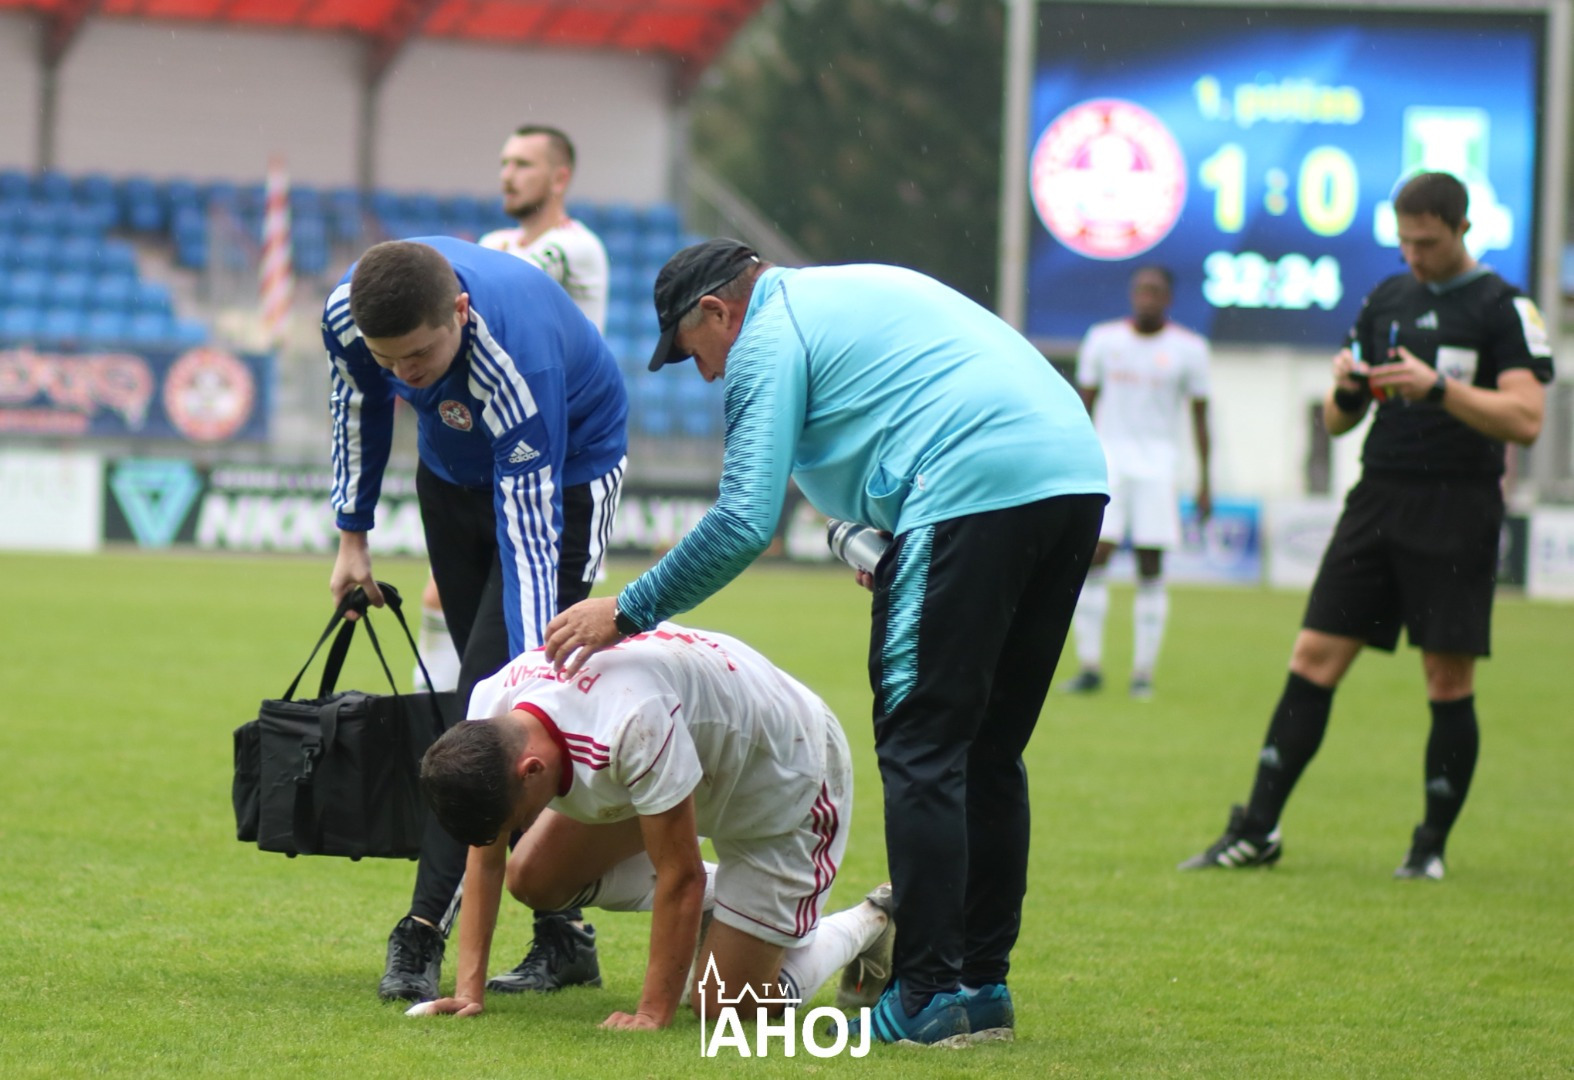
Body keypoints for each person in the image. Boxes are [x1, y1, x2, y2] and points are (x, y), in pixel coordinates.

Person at [543, 240, 1108, 1044]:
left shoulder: (766, 335)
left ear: (717, 311)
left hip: (966, 482)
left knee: (923, 748)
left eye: (693, 352)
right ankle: (981, 986)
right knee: (988, 751)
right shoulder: (839, 296)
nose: (704, 374)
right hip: (1072, 476)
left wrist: (628, 610)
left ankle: (928, 994)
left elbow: (744, 520)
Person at [1178, 171, 1554, 880]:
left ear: (1462, 229)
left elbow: (1527, 418)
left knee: (1446, 677)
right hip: (1377, 498)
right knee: (1312, 658)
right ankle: (1257, 830)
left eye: (1428, 242)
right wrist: (1350, 390)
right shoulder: (1387, 297)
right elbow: (1335, 419)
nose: (1414, 255)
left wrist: (1438, 389)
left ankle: (1428, 848)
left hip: (1458, 506)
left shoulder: (1505, 307)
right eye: (1405, 241)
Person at [325, 236, 627, 1002]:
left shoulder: (514, 364)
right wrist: (352, 536)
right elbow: (356, 405)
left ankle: (422, 930)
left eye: (419, 356)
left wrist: (526, 680)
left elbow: (530, 535)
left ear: (459, 311)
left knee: (489, 714)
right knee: (493, 714)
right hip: (451, 475)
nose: (405, 374)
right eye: (389, 359)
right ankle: (562, 935)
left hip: (565, 482)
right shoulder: (346, 314)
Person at [411, 624, 896, 1030]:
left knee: (727, 1006)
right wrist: (468, 992)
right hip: (696, 764)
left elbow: (680, 875)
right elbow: (487, 856)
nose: (520, 827)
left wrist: (651, 1012)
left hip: (788, 777)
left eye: (519, 819)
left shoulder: (630, 724)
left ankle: (871, 923)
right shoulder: (493, 708)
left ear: (531, 770)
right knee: (534, 876)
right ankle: (729, 909)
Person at [414, 124, 610, 696]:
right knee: (445, 600)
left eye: (523, 164)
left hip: (558, 445)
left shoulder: (576, 246)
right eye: (504, 163)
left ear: (559, 177)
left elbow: (512, 287)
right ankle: (444, 721)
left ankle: (521, 721)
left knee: (538, 619)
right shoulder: (496, 239)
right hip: (498, 438)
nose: (507, 175)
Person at [1062, 265, 1211, 700]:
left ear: (1169, 298)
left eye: (1155, 291)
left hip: (1159, 466)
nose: (1147, 297)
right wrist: (1073, 465)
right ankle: (1090, 666)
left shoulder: (1190, 349)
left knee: (1150, 565)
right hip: (1109, 463)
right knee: (1095, 558)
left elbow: (1201, 418)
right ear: (1132, 294)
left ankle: (1142, 674)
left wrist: (1206, 480)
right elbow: (1084, 408)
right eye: (1141, 290)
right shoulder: (1103, 340)